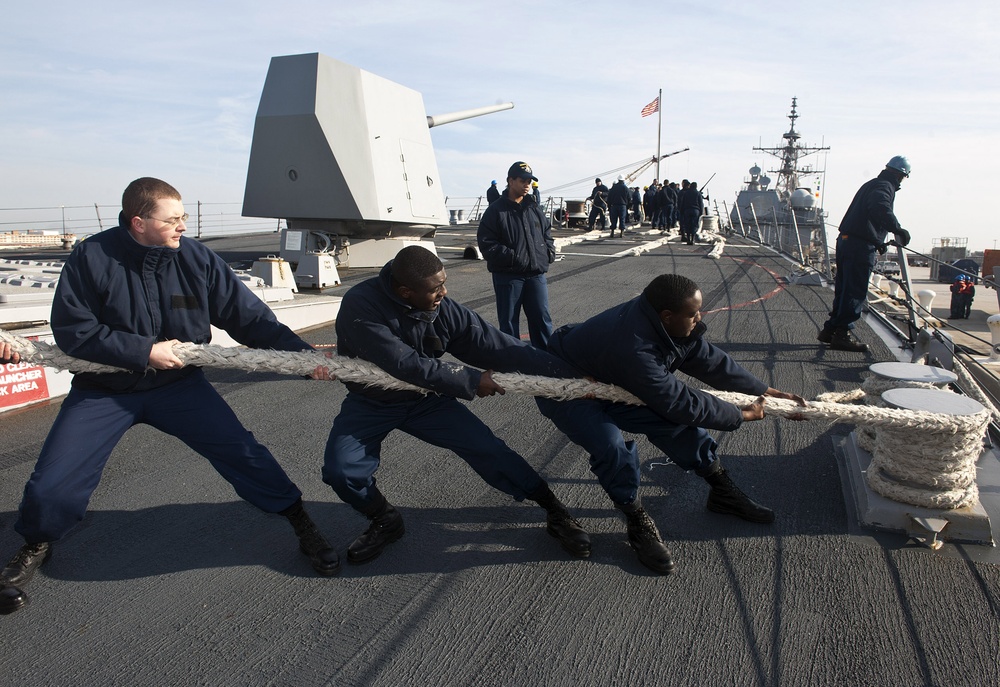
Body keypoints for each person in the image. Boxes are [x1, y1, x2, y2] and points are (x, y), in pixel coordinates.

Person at [0, 178, 339, 616]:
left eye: (184, 217)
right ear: (138, 222)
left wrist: (302, 358)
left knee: (244, 453)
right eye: (173, 219)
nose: (183, 226)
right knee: (53, 485)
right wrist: (143, 351)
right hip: (105, 390)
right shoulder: (92, 257)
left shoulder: (195, 257)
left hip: (178, 387)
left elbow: (249, 318)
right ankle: (35, 543)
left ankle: (299, 520)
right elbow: (73, 331)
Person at [316, 245, 590, 564]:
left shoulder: (443, 308)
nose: (444, 292)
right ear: (405, 291)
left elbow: (502, 347)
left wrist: (570, 377)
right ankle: (385, 520)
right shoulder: (361, 305)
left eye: (444, 282)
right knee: (341, 471)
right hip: (372, 400)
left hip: (425, 399)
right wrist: (472, 380)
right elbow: (403, 364)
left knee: (489, 450)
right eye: (436, 288)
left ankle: (554, 511)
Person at [536, 274, 806, 575]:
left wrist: (763, 391)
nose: (699, 317)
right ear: (667, 316)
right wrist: (739, 414)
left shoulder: (665, 324)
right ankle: (636, 518)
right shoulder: (635, 348)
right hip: (567, 388)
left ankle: (721, 491)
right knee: (611, 446)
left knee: (675, 427)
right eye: (693, 313)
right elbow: (679, 402)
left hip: (611, 378)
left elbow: (708, 360)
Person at [818, 156, 912, 352]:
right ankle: (842, 334)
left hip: (847, 241)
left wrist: (878, 241)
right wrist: (897, 229)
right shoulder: (885, 186)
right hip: (859, 246)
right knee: (855, 291)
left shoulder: (872, 183)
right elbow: (879, 207)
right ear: (901, 175)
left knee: (844, 289)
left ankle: (830, 329)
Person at [477, 161, 556, 349]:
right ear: (510, 181)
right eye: (523, 180)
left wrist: (548, 253)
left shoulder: (535, 209)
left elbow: (547, 233)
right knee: (509, 323)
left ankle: (547, 359)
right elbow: (486, 243)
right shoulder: (496, 211)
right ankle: (513, 363)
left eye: (529, 181)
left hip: (536, 274)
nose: (527, 184)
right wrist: (513, 257)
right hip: (509, 275)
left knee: (542, 320)